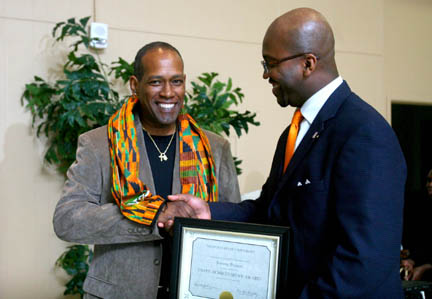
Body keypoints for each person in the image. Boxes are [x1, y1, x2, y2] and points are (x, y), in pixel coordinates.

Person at [166, 8, 407, 298]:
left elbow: (366, 260)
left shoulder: (364, 132)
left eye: (272, 63)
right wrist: (209, 211)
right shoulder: (294, 132)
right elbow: (269, 210)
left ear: (308, 63)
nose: (265, 74)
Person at [53, 41, 240, 299]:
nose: (168, 92)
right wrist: (155, 214)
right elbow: (68, 219)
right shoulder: (98, 144)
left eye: (176, 81)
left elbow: (235, 225)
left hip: (195, 292)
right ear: (134, 84)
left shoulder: (215, 148)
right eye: (155, 82)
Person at [401, 168, 432, 281]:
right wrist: (411, 260)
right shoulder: (423, 209)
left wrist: (425, 267)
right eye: (428, 181)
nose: (430, 184)